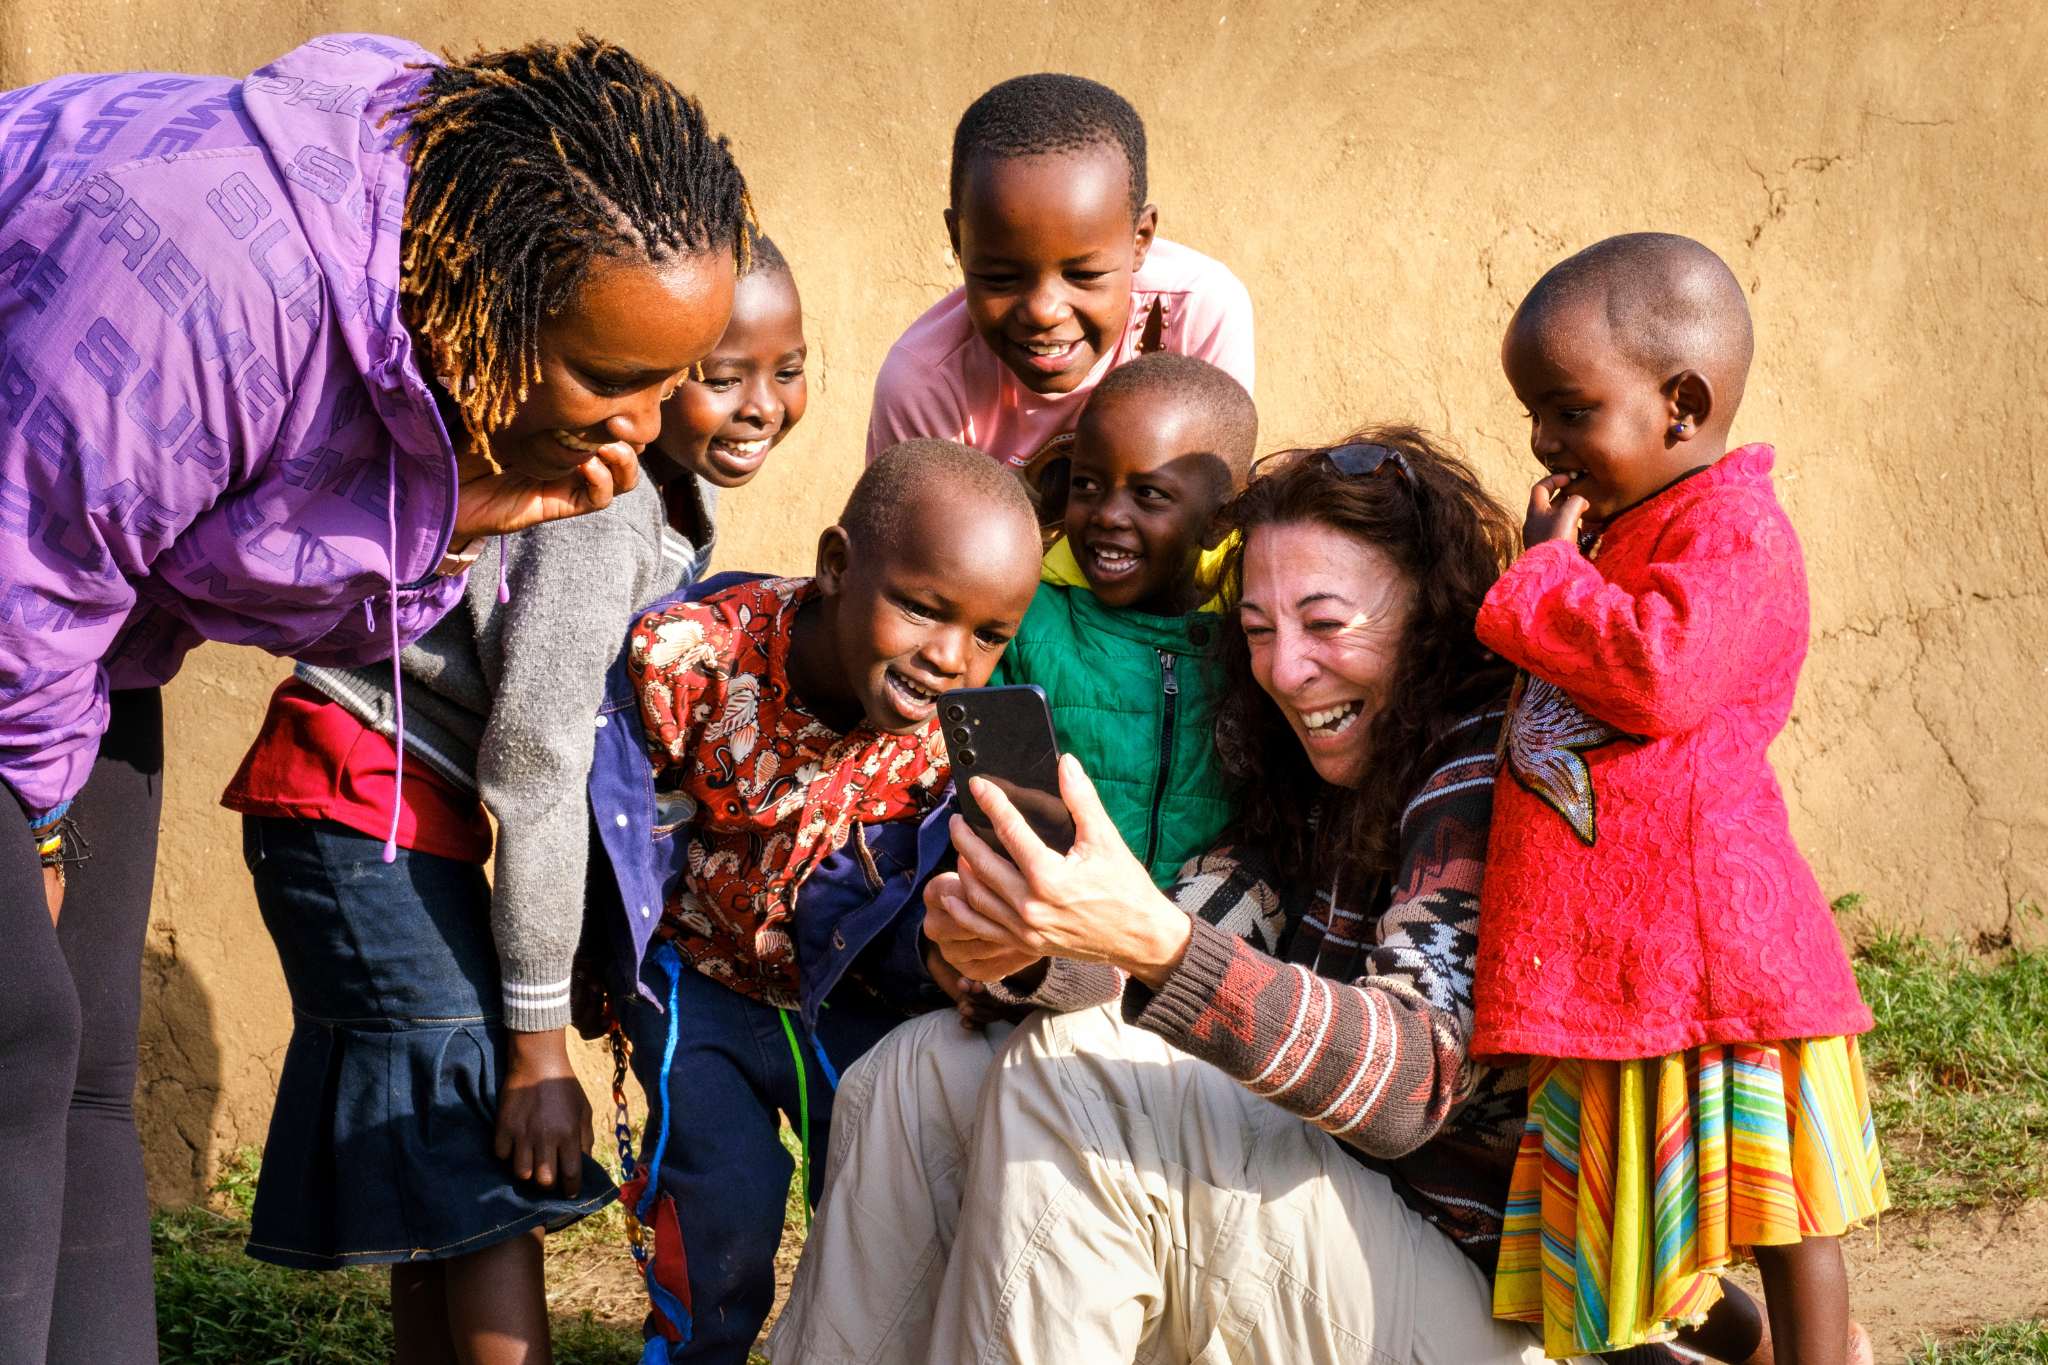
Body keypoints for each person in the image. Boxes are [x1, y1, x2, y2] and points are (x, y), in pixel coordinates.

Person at [0, 31, 741, 1361]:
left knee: (91, 1064)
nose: (648, 426)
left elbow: (280, 596)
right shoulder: (219, 291)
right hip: (21, 599)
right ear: (501, 297)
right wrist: (43, 828)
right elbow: (30, 560)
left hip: (90, 630)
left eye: (671, 379)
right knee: (16, 1035)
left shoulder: (436, 322)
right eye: (615, 380)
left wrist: (475, 508)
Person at [771, 429, 1577, 1364]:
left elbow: (1412, 1084)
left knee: (1088, 1091)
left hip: (1468, 1297)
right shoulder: (1305, 784)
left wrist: (1155, 943)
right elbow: (1156, 957)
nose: (1285, 670)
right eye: (1261, 630)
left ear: (1430, 617)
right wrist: (1031, 948)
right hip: (1311, 1229)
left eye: (1326, 624)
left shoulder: (1481, 767)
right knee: (922, 1071)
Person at [220, 220, 784, 1361]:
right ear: (646, 376)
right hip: (359, 792)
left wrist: (570, 955)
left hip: (377, 798)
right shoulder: (608, 513)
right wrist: (536, 1052)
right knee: (487, 1132)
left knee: (447, 1143)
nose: (759, 404)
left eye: (788, 369)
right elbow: (537, 759)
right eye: (718, 377)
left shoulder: (668, 506)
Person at [1475, 233, 1885, 1365]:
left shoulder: (1733, 531)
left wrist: (1545, 574)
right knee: (1629, 1224)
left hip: (1716, 957)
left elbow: (1660, 673)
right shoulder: (1623, 530)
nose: (1542, 445)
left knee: (1780, 1214)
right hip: (1622, 960)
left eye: (1565, 411)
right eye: (1532, 417)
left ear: (1682, 405)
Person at [588, 439, 1042, 1364]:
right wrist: (599, 964)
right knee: (721, 1221)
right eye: (921, 606)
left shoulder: (968, 742)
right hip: (701, 986)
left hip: (846, 1002)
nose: (950, 656)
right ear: (838, 565)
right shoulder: (693, 660)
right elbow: (609, 813)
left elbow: (953, 891)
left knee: (884, 1220)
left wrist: (950, 954)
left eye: (988, 634)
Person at [864, 70, 1254, 509]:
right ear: (959, 241)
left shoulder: (1196, 312)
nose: (1044, 312)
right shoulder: (924, 383)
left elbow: (1217, 517)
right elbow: (914, 558)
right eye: (1001, 279)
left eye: (1084, 276)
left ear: (1140, 239)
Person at [985, 352, 1254, 890]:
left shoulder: (1248, 637)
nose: (1107, 514)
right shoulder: (1026, 618)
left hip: (1202, 941)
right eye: (1087, 484)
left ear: (1219, 521)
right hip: (1053, 918)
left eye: (1149, 494)